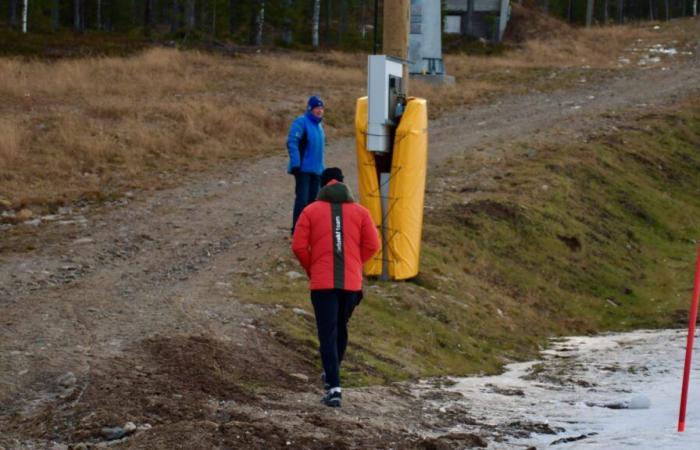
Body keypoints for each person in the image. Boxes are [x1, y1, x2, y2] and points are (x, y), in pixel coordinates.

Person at [291, 168, 380, 407]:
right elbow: (374, 245)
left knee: (327, 333)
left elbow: (298, 246)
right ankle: (333, 372)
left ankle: (334, 387)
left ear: (322, 185)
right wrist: (354, 262)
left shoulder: (310, 210)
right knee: (341, 327)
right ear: (343, 183)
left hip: (322, 284)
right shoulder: (361, 212)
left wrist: (312, 268)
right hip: (351, 283)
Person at [287, 95, 326, 233]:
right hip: (303, 169)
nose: (319, 111)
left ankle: (309, 230)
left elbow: (319, 150)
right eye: (317, 108)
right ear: (310, 109)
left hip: (316, 170)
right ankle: (297, 230)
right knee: (302, 200)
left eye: (321, 108)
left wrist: (323, 169)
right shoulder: (301, 122)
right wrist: (296, 162)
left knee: (313, 202)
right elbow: (292, 142)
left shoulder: (319, 126)